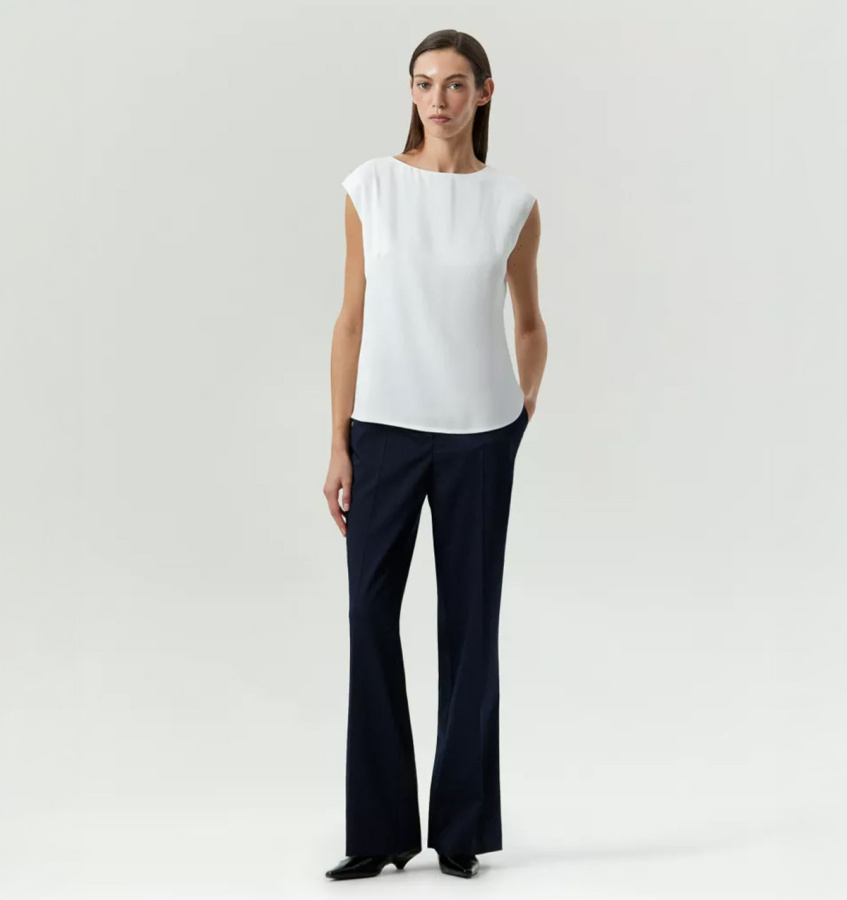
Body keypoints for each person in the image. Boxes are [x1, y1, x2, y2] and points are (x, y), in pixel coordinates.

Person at [323, 28, 546, 881]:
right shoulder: (370, 187)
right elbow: (351, 319)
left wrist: (521, 405)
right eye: (424, 83)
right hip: (382, 431)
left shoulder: (512, 202)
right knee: (368, 616)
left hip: (480, 437)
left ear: (484, 93)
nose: (438, 100)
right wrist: (338, 440)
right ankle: (379, 832)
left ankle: (460, 829)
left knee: (470, 626)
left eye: (455, 84)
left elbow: (529, 321)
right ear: (410, 92)